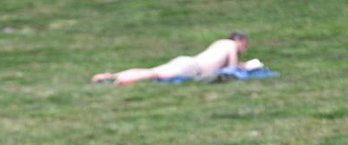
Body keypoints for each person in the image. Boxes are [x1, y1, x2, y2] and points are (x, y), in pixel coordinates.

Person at [91, 32, 248, 85]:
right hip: (192, 68)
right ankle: (122, 79)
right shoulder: (232, 45)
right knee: (154, 74)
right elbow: (231, 68)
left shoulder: (220, 42)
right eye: (244, 45)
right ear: (239, 40)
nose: (244, 48)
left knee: (153, 71)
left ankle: (112, 75)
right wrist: (243, 68)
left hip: (187, 61)